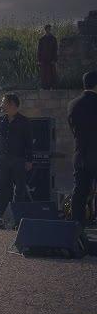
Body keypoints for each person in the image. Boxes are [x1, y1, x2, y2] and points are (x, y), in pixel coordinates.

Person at [0, 93, 33, 223]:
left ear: (12, 104)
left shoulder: (24, 121)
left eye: (4, 102)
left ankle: (17, 215)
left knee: (19, 188)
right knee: (1, 187)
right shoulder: (0, 120)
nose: (1, 105)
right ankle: (1, 214)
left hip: (18, 159)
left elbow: (29, 142)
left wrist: (29, 160)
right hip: (2, 159)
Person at [67, 71, 97, 225]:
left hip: (80, 153)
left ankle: (76, 226)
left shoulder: (73, 104)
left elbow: (73, 129)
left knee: (79, 191)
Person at [37, 24, 58, 90]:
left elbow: (55, 49)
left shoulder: (53, 39)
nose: (48, 30)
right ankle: (44, 87)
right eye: (47, 29)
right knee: (44, 74)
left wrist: (54, 59)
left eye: (49, 29)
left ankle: (52, 86)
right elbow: (39, 50)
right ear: (45, 30)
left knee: (52, 73)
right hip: (44, 59)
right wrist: (39, 60)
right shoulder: (42, 39)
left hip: (51, 59)